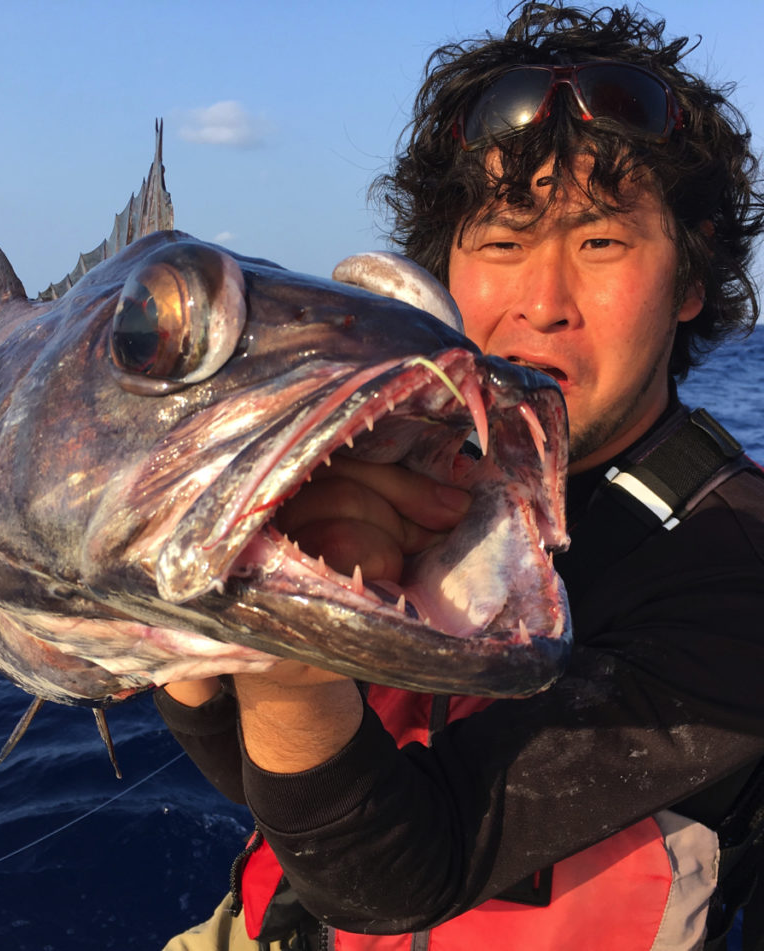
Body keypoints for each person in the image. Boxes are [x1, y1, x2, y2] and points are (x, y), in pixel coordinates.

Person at [156, 4, 764, 949]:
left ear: (691, 278)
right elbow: (260, 774)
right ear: (444, 267)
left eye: (600, 242)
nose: (542, 303)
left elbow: (399, 874)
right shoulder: (393, 463)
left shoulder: (739, 562)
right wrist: (196, 642)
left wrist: (282, 641)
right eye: (501, 242)